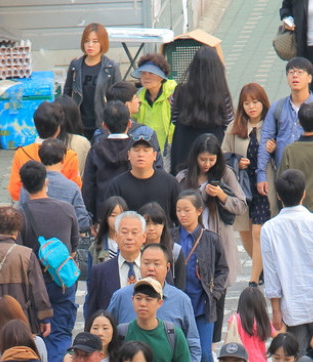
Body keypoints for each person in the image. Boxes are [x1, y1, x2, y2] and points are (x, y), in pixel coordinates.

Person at [260, 169, 313, 349]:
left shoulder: (269, 228)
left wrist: (275, 310)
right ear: (303, 194)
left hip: (292, 304)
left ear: (279, 196)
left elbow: (271, 273)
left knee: (299, 361)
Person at [18, 161, 80, 362]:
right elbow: (73, 246)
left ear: (23, 186)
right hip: (62, 282)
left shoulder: (19, 214)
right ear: (47, 182)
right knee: (61, 334)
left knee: (34, 336)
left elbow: (18, 253)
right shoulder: (66, 209)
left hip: (32, 288)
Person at [104, 243, 202, 362]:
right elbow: (105, 333)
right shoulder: (121, 296)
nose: (151, 268)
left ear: (167, 267)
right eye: (146, 263)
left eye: (156, 264)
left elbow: (192, 341)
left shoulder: (181, 300)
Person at [171, 190, 229, 362]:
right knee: (182, 354)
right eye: (179, 210)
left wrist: (215, 292)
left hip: (203, 304)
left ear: (199, 211)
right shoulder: (171, 237)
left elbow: (223, 269)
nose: (182, 214)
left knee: (205, 354)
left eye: (187, 210)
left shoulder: (210, 239)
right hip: (179, 305)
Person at [257, 58, 313, 204]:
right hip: (283, 178)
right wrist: (261, 175)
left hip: (312, 179)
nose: (295, 76)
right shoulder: (277, 107)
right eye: (291, 72)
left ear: (310, 78)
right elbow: (265, 141)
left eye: (300, 72)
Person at [0, 206, 53, 337]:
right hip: (21, 321)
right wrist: (44, 317)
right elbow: (38, 291)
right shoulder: (27, 255)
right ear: (17, 231)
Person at [176, 133, 247, 289]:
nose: (207, 164)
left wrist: (222, 195)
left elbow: (241, 205)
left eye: (211, 160)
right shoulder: (183, 178)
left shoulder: (226, 174)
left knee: (218, 288)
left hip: (219, 239)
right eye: (202, 159)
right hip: (191, 241)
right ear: (195, 157)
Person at [222, 82, 273, 285]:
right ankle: (263, 269)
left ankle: (254, 278)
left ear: (263, 103)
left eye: (255, 102)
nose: (251, 107)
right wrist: (236, 160)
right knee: (244, 231)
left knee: (258, 231)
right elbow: (222, 155)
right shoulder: (234, 128)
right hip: (242, 185)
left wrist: (274, 148)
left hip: (264, 185)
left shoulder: (272, 125)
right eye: (246, 103)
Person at [168, 46, 234, 173]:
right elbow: (229, 121)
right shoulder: (222, 94)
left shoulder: (180, 91)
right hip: (212, 146)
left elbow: (174, 119)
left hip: (183, 146)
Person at [7, 102, 82, 200]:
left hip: (30, 209)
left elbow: (15, 191)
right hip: (63, 210)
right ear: (58, 128)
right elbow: (76, 190)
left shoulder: (21, 154)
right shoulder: (69, 156)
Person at [84, 210, 146, 319]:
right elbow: (92, 311)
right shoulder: (100, 271)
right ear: (116, 236)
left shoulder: (156, 267)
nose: (129, 237)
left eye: (134, 232)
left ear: (143, 237)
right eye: (124, 232)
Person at [21, 138, 92, 233]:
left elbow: (21, 214)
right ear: (63, 159)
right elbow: (82, 223)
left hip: (31, 239)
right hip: (62, 241)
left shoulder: (28, 184)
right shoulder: (71, 187)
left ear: (40, 158)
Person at [63, 23, 121, 138]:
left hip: (102, 126)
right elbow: (67, 94)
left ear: (102, 43)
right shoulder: (75, 65)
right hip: (78, 126)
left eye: (95, 41)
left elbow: (119, 98)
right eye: (87, 41)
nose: (90, 45)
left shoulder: (111, 67)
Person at [82, 102, 135, 219]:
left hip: (103, 213)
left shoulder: (96, 150)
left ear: (104, 125)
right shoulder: (136, 149)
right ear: (130, 123)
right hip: (132, 212)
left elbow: (88, 186)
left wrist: (91, 217)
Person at [105, 137, 179, 218]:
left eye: (146, 150)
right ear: (129, 154)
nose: (140, 154)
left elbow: (177, 216)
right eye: (136, 150)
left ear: (155, 155)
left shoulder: (169, 182)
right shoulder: (117, 185)